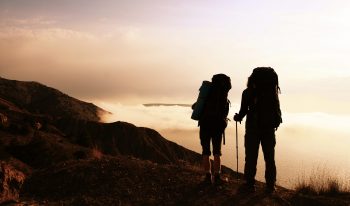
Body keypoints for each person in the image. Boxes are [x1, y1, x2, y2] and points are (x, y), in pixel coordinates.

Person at [234, 67, 282, 193]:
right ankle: (271, 186)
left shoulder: (247, 92)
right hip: (269, 129)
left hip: (252, 128)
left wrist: (237, 117)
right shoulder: (272, 92)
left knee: (251, 157)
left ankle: (250, 184)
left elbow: (243, 111)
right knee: (270, 158)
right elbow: (276, 109)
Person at [195, 74, 231, 185]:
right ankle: (217, 176)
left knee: (205, 151)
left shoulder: (206, 94)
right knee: (216, 152)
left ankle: (207, 176)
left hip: (205, 124)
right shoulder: (224, 98)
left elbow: (196, 107)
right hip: (217, 127)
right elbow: (225, 113)